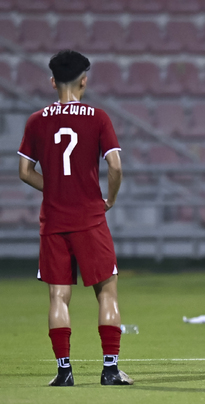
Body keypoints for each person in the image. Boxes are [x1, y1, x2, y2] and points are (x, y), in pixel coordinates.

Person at [17, 50, 133, 386]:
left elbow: (25, 171)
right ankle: (110, 370)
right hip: (90, 218)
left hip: (53, 221)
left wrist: (54, 188)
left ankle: (64, 372)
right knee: (107, 293)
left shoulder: (36, 120)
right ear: (84, 80)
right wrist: (108, 198)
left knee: (58, 297)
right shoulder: (98, 117)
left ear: (53, 81)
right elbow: (115, 165)